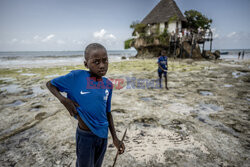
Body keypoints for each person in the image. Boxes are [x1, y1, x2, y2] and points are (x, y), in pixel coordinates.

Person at [46, 43, 125, 167]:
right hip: (85, 136)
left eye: (105, 60)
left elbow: (107, 113)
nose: (102, 65)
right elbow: (50, 84)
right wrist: (63, 100)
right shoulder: (76, 77)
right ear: (86, 64)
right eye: (96, 62)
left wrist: (115, 138)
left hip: (103, 136)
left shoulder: (108, 84)